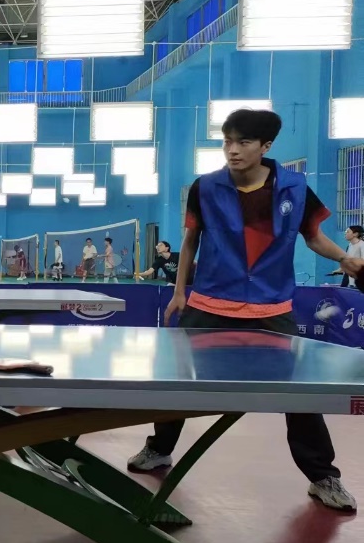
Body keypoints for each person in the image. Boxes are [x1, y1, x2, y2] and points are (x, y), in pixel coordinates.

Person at [127, 108, 361, 511]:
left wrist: (345, 259)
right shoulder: (205, 186)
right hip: (210, 302)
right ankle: (159, 448)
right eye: (227, 141)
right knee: (176, 382)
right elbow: (190, 241)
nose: (232, 150)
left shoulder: (295, 188)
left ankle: (323, 475)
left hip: (271, 305)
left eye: (243, 142)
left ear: (265, 146)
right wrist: (180, 292)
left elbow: (312, 237)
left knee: (300, 395)